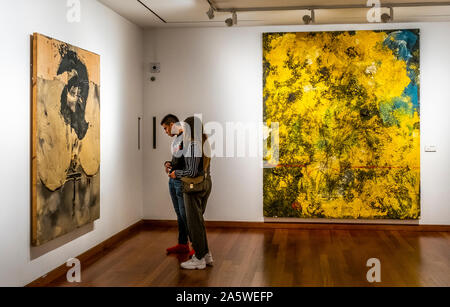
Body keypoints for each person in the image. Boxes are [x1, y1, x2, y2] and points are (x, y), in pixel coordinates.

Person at [169, 116, 213, 270]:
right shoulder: (204, 142)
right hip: (205, 184)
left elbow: (192, 171)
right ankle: (206, 254)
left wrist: (177, 174)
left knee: (194, 224)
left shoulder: (193, 146)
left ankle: (199, 258)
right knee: (198, 222)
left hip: (193, 188)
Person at [161, 114, 192, 255]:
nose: (165, 131)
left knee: (186, 215)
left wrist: (177, 173)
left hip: (181, 181)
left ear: (172, 124)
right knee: (179, 214)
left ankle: (197, 247)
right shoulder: (176, 139)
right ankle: (183, 244)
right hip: (172, 181)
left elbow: (190, 163)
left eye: (166, 128)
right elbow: (179, 160)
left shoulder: (187, 138)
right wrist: (169, 164)